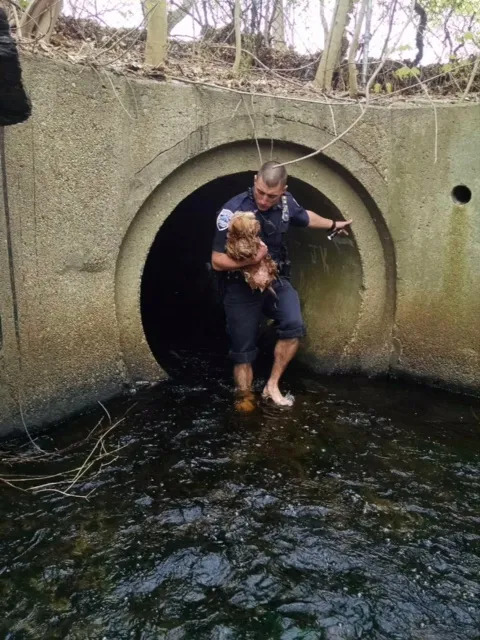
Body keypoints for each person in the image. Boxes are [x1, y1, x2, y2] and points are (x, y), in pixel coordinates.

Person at [211, 161, 352, 410]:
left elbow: (304, 217)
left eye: (272, 196)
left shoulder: (286, 204)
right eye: (261, 193)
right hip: (239, 284)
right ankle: (244, 396)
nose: (265, 201)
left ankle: (272, 385)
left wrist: (333, 224)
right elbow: (217, 262)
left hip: (275, 278)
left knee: (294, 325)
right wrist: (252, 260)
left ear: (284, 190)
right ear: (255, 180)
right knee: (243, 350)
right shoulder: (232, 211)